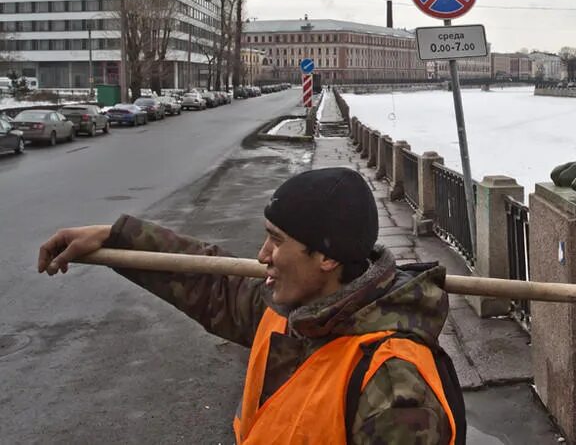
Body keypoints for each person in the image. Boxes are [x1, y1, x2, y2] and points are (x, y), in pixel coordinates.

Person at [38, 167, 465, 444]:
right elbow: (212, 286)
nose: (262, 255)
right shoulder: (295, 314)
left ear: (327, 257)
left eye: (277, 240)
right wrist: (117, 237)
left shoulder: (395, 391)